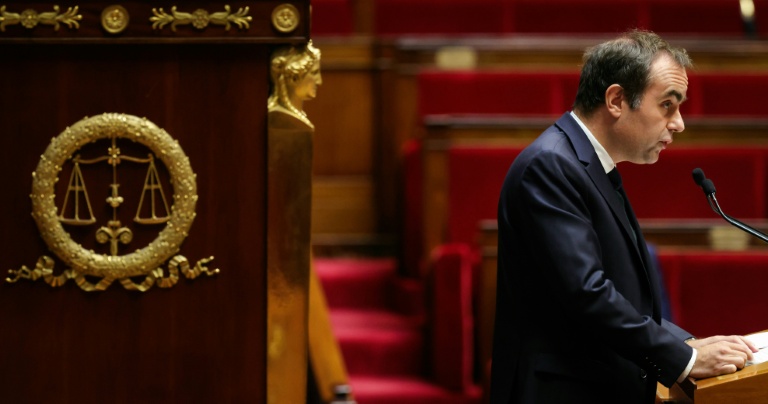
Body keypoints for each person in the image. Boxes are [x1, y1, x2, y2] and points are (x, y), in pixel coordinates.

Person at [489, 29, 758, 404]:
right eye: (668, 104)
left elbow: (620, 294)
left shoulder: (588, 164)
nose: (679, 123)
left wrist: (684, 342)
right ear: (616, 100)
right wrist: (687, 358)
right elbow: (587, 295)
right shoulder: (550, 166)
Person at [268, 40, 322, 130]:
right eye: (314, 73)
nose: (319, 81)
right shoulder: (280, 119)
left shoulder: (296, 118)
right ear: (294, 77)